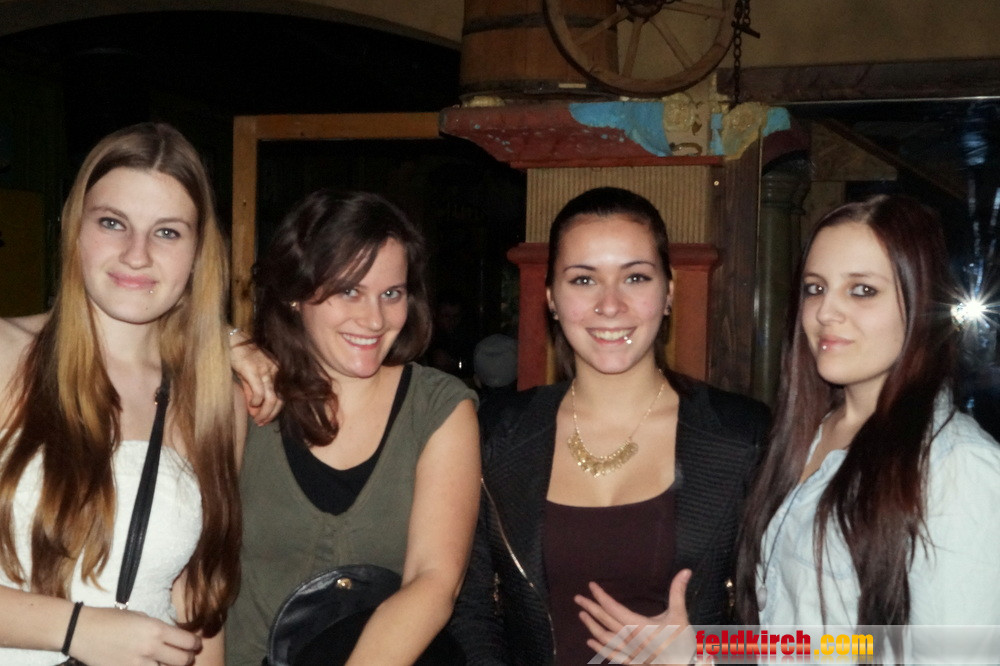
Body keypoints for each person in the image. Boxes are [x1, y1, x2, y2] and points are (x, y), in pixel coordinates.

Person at [450, 187, 770, 665]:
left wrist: (706, 653)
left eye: (635, 277)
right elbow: (470, 609)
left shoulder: (743, 436)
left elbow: (812, 629)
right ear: (551, 298)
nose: (610, 304)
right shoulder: (497, 432)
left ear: (669, 293)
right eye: (583, 280)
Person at [0, 122, 246, 665]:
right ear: (75, 229)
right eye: (113, 223)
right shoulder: (5, 356)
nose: (137, 255)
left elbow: (197, 601)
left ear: (198, 252)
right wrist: (77, 629)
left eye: (167, 232)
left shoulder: (216, 399)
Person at [736, 195, 1000, 654]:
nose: (825, 312)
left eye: (862, 290)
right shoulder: (808, 431)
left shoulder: (957, 468)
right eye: (815, 288)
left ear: (921, 304)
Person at [226, 189, 481, 665]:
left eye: (392, 294)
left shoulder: (437, 407)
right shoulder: (240, 398)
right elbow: (198, 580)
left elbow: (433, 582)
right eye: (349, 291)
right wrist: (221, 339)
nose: (374, 319)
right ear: (296, 293)